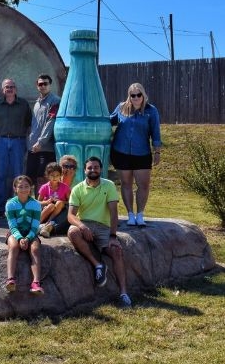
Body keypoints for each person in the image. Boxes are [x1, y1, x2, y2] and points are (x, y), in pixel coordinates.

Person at [67, 156, 132, 308]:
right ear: (84, 170)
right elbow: (70, 215)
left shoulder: (109, 185)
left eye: (96, 167)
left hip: (104, 227)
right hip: (85, 224)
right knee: (73, 232)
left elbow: (114, 213)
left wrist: (113, 236)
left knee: (116, 251)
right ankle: (98, 265)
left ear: (100, 169)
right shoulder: (77, 189)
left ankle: (123, 294)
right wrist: (82, 226)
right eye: (89, 168)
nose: (93, 170)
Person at [110, 82, 162, 227]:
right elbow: (109, 121)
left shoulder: (151, 111)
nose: (136, 97)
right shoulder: (121, 108)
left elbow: (156, 132)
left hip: (142, 153)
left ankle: (140, 215)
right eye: (133, 95)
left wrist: (157, 151)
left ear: (143, 95)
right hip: (121, 152)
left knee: (143, 185)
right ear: (129, 96)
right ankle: (130, 215)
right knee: (126, 184)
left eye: (139, 94)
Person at [0, 78, 32, 220]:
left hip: (18, 141)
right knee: (0, 175)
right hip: (0, 141)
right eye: (7, 87)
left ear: (16, 89)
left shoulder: (24, 105)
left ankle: (18, 208)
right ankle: (1, 208)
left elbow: (29, 125)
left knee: (18, 175)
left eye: (12, 86)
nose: (10, 89)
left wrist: (29, 142)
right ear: (3, 90)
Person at [5, 175, 44, 295]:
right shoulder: (10, 204)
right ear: (15, 188)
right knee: (13, 247)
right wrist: (20, 238)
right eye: (20, 186)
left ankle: (36, 282)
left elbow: (35, 225)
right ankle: (10, 279)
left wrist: (28, 238)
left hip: (30, 233)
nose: (23, 189)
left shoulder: (36, 204)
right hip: (15, 232)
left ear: (31, 188)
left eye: (26, 186)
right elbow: (12, 225)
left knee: (35, 249)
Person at [26, 74, 60, 190]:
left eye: (46, 83)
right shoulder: (37, 103)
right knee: (30, 177)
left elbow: (51, 122)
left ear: (50, 85)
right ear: (37, 86)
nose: (43, 86)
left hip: (46, 148)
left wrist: (41, 142)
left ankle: (42, 206)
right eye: (40, 84)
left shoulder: (55, 101)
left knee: (43, 179)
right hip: (33, 147)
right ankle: (33, 206)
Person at [37, 162, 70, 237]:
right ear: (47, 176)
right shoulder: (44, 187)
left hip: (60, 211)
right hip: (47, 209)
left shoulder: (65, 187)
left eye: (57, 175)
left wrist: (61, 201)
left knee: (59, 203)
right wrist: (46, 202)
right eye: (52, 175)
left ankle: (48, 223)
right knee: (51, 206)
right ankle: (36, 225)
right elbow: (38, 202)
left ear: (60, 176)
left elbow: (69, 202)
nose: (55, 177)